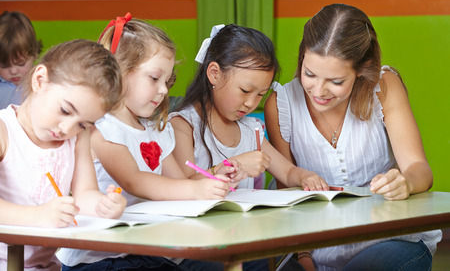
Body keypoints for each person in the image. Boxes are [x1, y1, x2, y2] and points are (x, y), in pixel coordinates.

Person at [264, 3, 442, 271]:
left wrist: (405, 183)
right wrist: (304, 256)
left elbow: (420, 170)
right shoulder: (281, 104)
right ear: (302, 58)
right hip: (313, 247)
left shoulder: (384, 88)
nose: (319, 90)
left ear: (362, 69)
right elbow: (286, 195)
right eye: (310, 74)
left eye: (336, 81)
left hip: (389, 238)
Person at [57, 14, 235, 271]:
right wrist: (195, 191)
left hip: (146, 249)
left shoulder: (155, 130)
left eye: (167, 81)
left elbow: (178, 184)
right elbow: (135, 181)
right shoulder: (100, 128)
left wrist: (213, 179)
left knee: (222, 263)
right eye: (154, 79)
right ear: (119, 72)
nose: (164, 90)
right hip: (100, 256)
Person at [0, 39, 127, 270]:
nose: (67, 129)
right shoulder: (4, 131)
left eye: (83, 124)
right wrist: (39, 215)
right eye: (65, 110)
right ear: (40, 80)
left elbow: (84, 194)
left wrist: (103, 205)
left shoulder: (77, 138)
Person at [170, 24, 325, 192]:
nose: (251, 103)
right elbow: (182, 188)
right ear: (215, 74)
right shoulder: (184, 126)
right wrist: (231, 166)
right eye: (245, 91)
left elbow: (287, 172)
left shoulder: (252, 131)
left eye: (261, 94)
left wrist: (305, 177)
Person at [0, 11, 42, 108]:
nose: (13, 71)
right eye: (4, 66)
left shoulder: (40, 81)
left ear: (34, 55)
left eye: (21, 63)